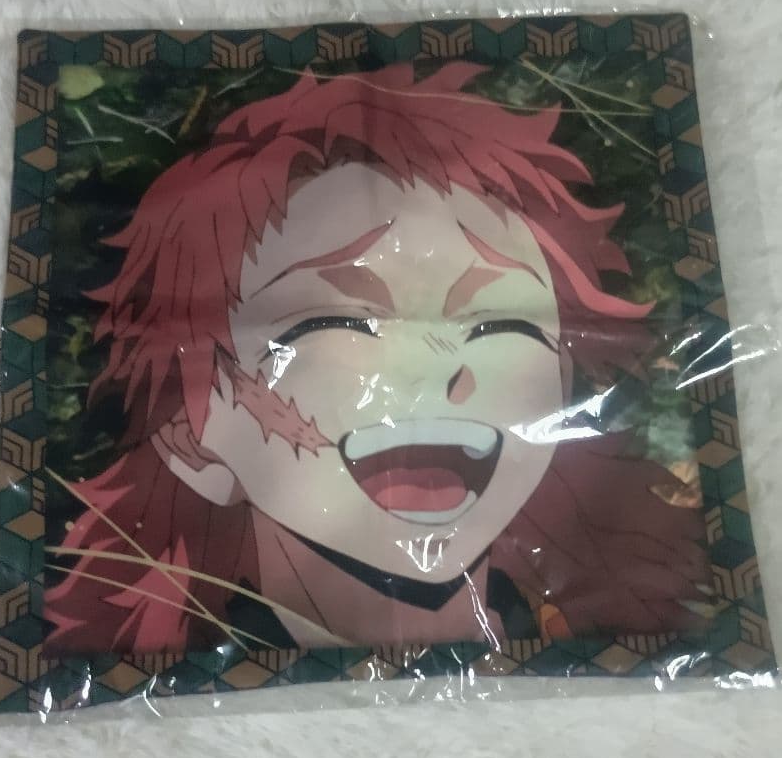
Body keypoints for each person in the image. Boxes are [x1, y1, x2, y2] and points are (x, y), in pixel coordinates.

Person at [45, 62, 709, 655]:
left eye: (500, 322)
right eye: (335, 322)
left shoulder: (635, 635)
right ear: (191, 433)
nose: (430, 368)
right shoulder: (140, 677)